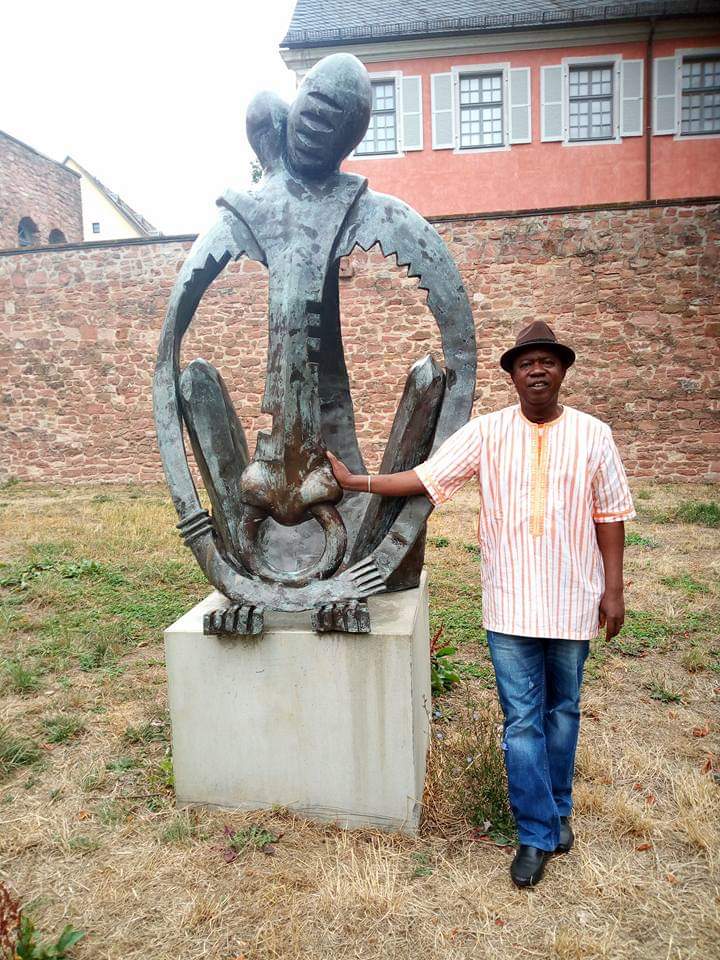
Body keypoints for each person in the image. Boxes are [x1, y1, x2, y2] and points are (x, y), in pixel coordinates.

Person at [328, 320, 636, 888]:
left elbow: (610, 514)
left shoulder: (595, 434)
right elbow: (426, 477)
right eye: (526, 363)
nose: (537, 370)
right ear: (513, 376)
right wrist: (357, 482)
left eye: (547, 361)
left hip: (573, 599)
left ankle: (560, 807)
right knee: (523, 721)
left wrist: (612, 589)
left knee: (562, 713)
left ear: (563, 370)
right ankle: (537, 833)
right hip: (511, 603)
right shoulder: (487, 433)